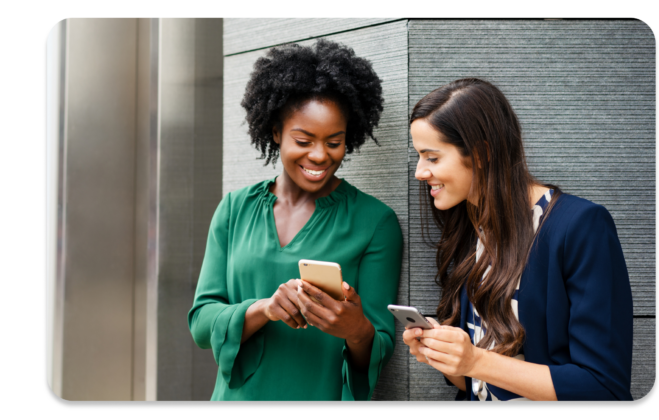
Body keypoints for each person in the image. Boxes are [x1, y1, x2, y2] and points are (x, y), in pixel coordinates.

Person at [188, 40, 403, 401]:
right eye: (303, 140)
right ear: (276, 132)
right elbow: (201, 323)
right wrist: (264, 309)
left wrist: (357, 329)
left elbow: (379, 346)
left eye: (334, 142)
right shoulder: (234, 209)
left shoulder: (375, 223)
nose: (319, 155)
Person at [403, 78, 633, 401]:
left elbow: (603, 387)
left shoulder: (580, 226)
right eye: (419, 156)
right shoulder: (473, 228)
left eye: (432, 157)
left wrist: (475, 360)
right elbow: (476, 386)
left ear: (481, 153)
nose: (419, 172)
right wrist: (446, 356)